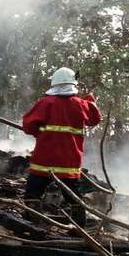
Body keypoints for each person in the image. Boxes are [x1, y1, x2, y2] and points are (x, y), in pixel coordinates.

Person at [21, 67, 102, 226]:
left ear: (54, 84)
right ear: (73, 85)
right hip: (68, 163)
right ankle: (79, 230)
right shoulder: (80, 104)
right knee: (74, 198)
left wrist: (41, 132)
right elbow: (94, 118)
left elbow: (28, 126)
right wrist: (90, 100)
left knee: (33, 194)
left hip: (43, 161)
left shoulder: (45, 103)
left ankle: (32, 226)